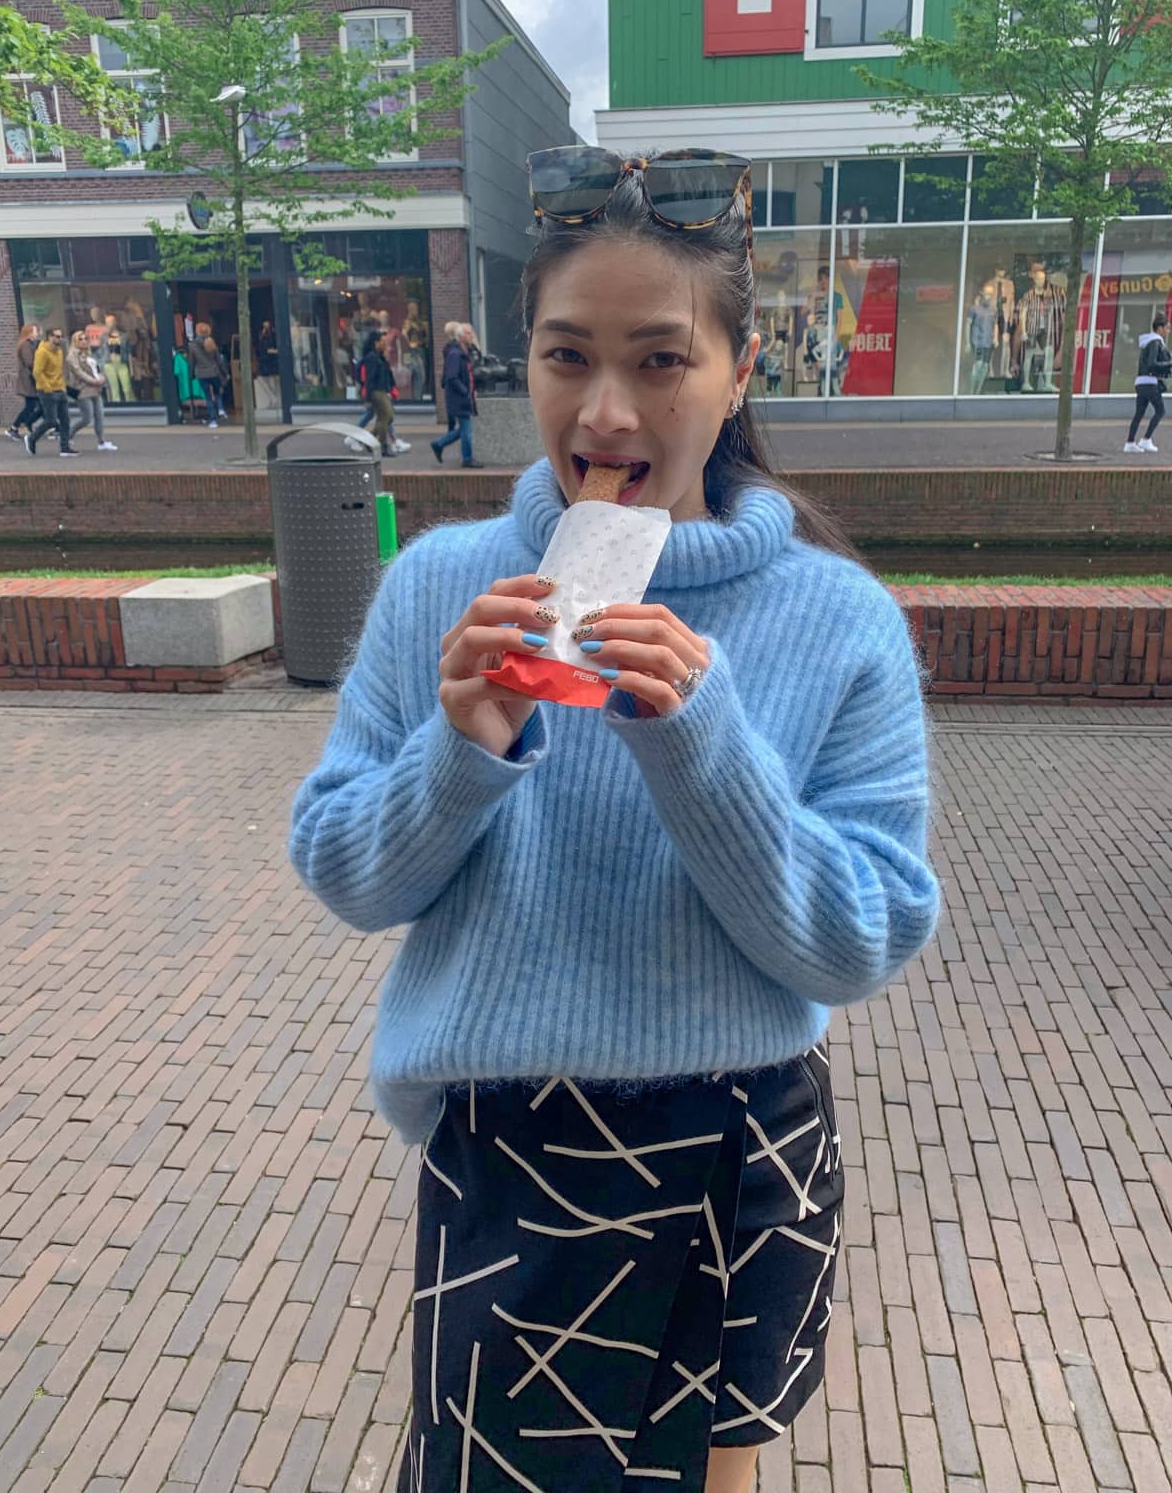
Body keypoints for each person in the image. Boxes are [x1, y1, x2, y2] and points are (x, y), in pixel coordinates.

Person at [290, 148, 941, 1493]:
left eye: (660, 361)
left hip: (738, 1142)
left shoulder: (840, 621)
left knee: (713, 1482)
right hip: (510, 1143)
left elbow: (861, 940)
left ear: (739, 372)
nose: (605, 408)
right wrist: (457, 749)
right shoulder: (443, 589)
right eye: (565, 354)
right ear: (516, 363)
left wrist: (707, 748)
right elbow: (349, 873)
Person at [430, 319, 483, 467]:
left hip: (464, 397)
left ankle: (439, 444)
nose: (471, 335)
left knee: (464, 429)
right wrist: (465, 391)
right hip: (459, 398)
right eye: (467, 333)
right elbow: (451, 377)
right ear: (460, 336)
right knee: (466, 430)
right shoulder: (455, 354)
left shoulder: (464, 352)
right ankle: (467, 459)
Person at [25, 327, 76, 458]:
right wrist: (47, 388)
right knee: (51, 420)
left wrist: (62, 386)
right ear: (49, 337)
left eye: (61, 336)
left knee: (65, 420)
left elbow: (59, 371)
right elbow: (37, 372)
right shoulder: (42, 352)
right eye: (57, 336)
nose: (59, 339)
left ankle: (65, 448)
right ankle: (31, 438)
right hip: (47, 391)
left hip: (60, 389)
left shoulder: (59, 351)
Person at [1124, 312, 1171, 453]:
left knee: (1139, 413)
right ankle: (1146, 440)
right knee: (1160, 411)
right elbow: (1152, 364)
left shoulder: (1147, 343)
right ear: (1160, 328)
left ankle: (1130, 442)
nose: (1168, 331)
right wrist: (1169, 364)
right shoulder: (1155, 342)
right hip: (1150, 383)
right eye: (1167, 328)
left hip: (1141, 382)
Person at [65, 331, 117, 451]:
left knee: (99, 415)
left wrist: (102, 377)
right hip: (83, 389)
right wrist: (94, 381)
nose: (83, 341)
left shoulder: (89, 353)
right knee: (87, 418)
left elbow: (97, 368)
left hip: (96, 389)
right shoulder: (72, 355)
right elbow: (78, 372)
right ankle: (67, 436)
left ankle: (101, 442)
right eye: (80, 339)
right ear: (75, 341)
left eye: (85, 338)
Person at [189, 321, 228, 428]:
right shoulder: (211, 342)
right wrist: (225, 372)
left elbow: (192, 362)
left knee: (208, 397)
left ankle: (213, 421)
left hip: (201, 374)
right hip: (214, 372)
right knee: (218, 392)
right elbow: (219, 360)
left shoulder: (192, 345)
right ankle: (220, 409)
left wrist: (191, 374)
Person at [8, 323, 42, 440]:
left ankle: (23, 425)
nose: (37, 334)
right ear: (29, 333)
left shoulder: (28, 344)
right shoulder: (26, 345)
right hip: (29, 381)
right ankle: (15, 427)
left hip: (29, 380)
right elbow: (30, 362)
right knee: (32, 405)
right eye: (35, 331)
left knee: (35, 405)